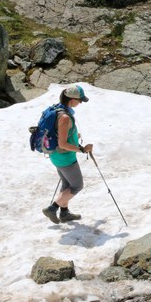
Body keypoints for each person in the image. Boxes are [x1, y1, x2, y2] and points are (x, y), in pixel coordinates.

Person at [41, 85, 94, 224]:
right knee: (77, 186)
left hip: (56, 155)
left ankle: (64, 214)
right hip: (65, 157)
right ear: (71, 99)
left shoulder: (57, 109)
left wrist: (74, 135)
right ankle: (52, 208)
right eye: (79, 100)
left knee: (67, 184)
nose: (80, 102)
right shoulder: (65, 117)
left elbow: (60, 133)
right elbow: (63, 144)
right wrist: (82, 149)